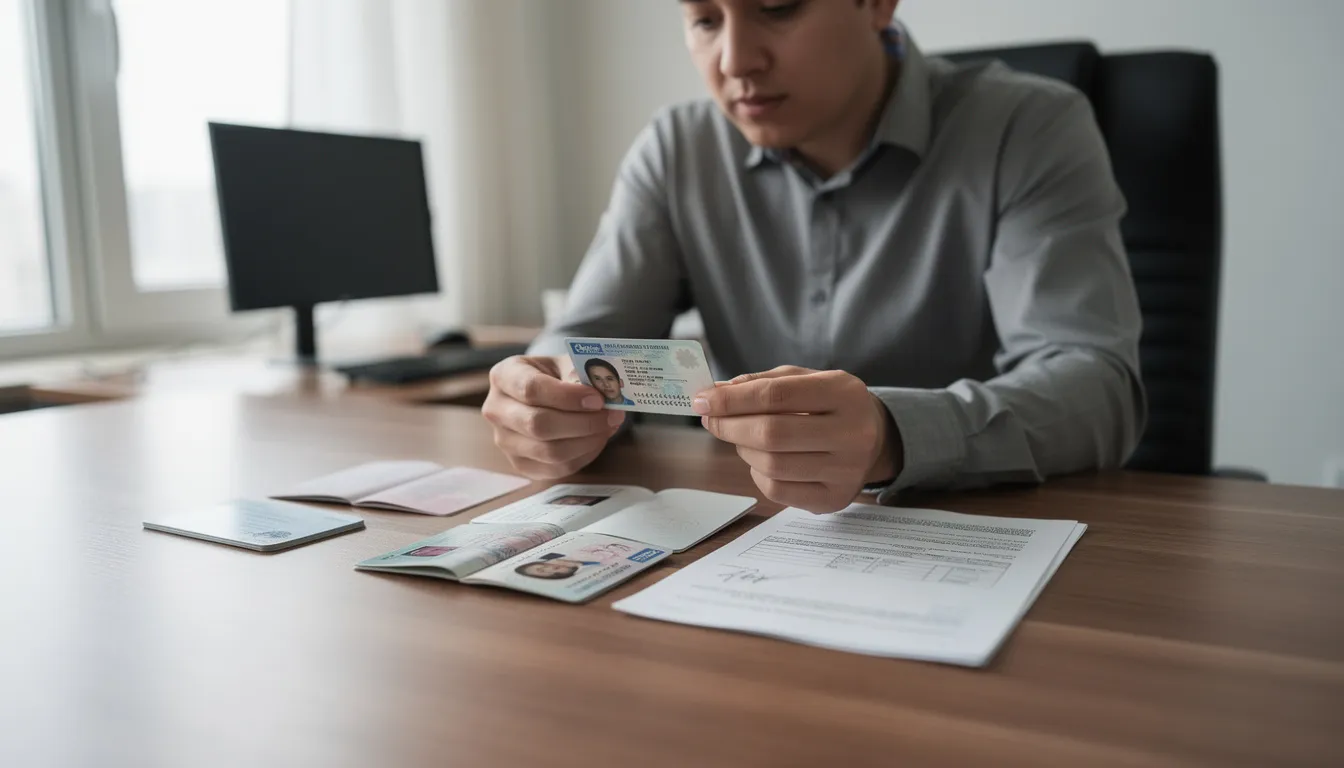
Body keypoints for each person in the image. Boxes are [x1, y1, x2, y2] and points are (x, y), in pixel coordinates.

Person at [482, 0, 1145, 514]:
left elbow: (1098, 387)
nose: (736, 60)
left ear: (878, 3)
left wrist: (893, 435)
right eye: (705, 19)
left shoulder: (1029, 128)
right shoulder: (676, 150)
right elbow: (580, 341)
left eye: (778, 7)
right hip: (749, 546)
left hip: (983, 543)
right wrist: (545, 395)